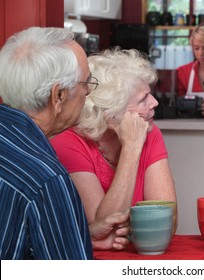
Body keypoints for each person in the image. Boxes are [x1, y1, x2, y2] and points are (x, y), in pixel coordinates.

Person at [0, 27, 130, 260]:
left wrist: (82, 235)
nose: (89, 91)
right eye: (85, 82)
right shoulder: (47, 179)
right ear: (58, 96)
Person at [50, 48, 177, 229]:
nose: (154, 103)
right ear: (111, 113)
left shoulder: (149, 131)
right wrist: (131, 148)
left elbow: (166, 222)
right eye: (143, 99)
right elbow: (101, 227)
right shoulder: (68, 143)